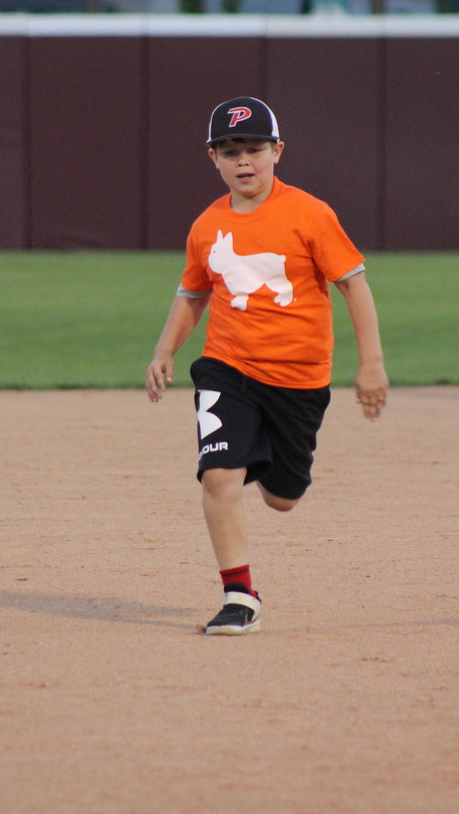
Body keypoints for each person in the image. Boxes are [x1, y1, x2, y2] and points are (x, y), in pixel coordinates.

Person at [145, 96, 388, 635]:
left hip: (299, 379)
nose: (244, 160)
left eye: (254, 148)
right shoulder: (207, 226)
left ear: (277, 150)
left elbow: (354, 284)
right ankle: (239, 595)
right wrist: (165, 351)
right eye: (230, 151)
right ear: (213, 158)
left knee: (281, 498)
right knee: (217, 476)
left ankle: (260, 458)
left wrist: (371, 363)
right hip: (226, 367)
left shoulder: (309, 213)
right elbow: (192, 294)